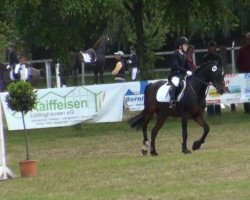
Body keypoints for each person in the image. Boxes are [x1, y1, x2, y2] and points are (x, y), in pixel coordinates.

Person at [169, 37, 192, 108]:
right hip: (174, 75)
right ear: (180, 46)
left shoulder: (184, 55)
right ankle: (172, 100)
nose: (186, 47)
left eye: (187, 45)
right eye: (185, 45)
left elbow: (186, 66)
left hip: (182, 75)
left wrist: (191, 70)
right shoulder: (175, 54)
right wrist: (186, 71)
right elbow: (176, 66)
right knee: (176, 82)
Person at [203, 40, 221, 116]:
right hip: (208, 78)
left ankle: (217, 112)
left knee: (217, 94)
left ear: (215, 47)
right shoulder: (205, 57)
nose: (212, 48)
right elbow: (204, 68)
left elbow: (220, 67)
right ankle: (210, 113)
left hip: (216, 78)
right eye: (211, 47)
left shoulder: (218, 57)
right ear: (208, 48)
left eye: (213, 47)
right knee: (209, 95)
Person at [236, 32, 250, 114]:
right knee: (246, 93)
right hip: (245, 75)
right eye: (246, 38)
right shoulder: (242, 49)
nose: (247, 40)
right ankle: (247, 110)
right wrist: (241, 72)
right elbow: (238, 62)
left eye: (249, 39)